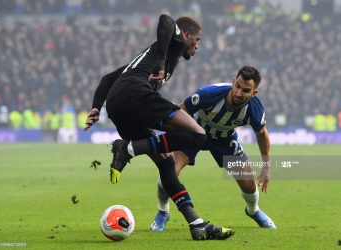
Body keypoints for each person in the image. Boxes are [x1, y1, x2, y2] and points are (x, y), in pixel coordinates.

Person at [84, 14, 233, 240]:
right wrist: (162, 60)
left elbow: (107, 79)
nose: (197, 46)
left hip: (118, 106)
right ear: (186, 36)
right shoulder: (176, 44)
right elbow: (165, 19)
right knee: (199, 135)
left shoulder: (144, 59)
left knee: (166, 162)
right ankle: (129, 149)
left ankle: (196, 223)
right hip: (135, 95)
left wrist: (96, 107)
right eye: (197, 40)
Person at [149, 66, 276, 231]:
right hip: (193, 133)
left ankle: (253, 210)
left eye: (245, 90)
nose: (239, 93)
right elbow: (179, 112)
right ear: (233, 82)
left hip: (225, 141)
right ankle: (162, 212)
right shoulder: (209, 94)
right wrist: (172, 139)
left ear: (254, 93)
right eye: (237, 86)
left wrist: (266, 166)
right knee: (169, 171)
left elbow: (261, 134)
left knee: (250, 187)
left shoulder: (254, 109)